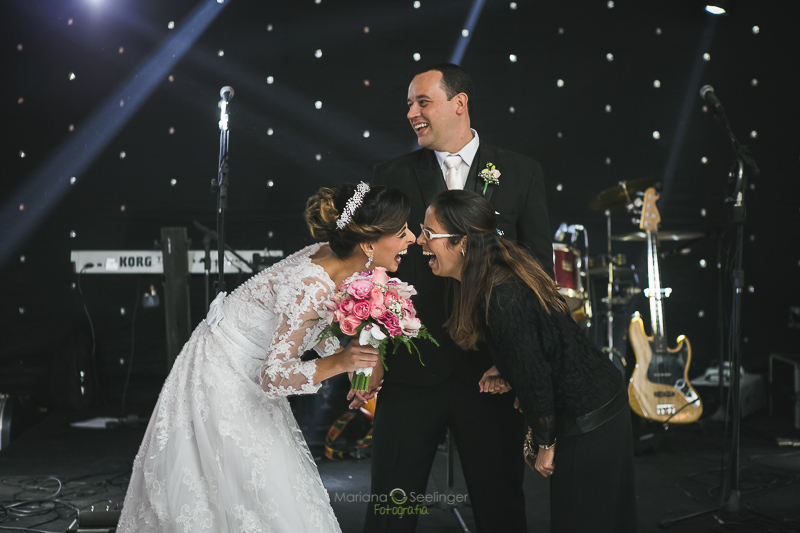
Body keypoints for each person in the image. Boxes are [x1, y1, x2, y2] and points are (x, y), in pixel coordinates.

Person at [116, 182, 414, 533]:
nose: (412, 237)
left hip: (247, 363)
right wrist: (341, 362)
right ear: (368, 244)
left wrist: (349, 364)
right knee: (239, 487)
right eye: (401, 231)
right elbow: (273, 377)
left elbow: (311, 325)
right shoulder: (312, 282)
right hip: (221, 369)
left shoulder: (339, 261)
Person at [364, 63, 552, 532]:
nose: (411, 113)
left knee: (500, 507)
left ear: (459, 104)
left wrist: (514, 362)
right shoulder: (391, 174)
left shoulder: (522, 173)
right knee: (390, 507)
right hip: (410, 369)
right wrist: (371, 350)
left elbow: (537, 277)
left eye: (422, 102)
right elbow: (372, 270)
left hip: (490, 374)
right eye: (409, 104)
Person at [420, 189, 638, 533]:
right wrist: (507, 367)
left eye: (429, 234)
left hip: (590, 417)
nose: (420, 240)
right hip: (599, 403)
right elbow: (540, 344)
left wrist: (546, 443)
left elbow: (535, 373)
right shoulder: (495, 277)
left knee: (583, 521)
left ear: (462, 242)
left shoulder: (500, 295)